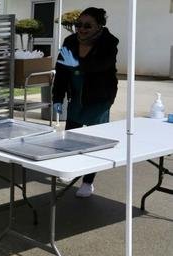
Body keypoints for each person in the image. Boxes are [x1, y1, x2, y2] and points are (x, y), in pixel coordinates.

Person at [52, 7, 118, 198]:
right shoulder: (70, 41)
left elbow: (102, 65)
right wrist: (57, 97)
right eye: (78, 25)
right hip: (77, 96)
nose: (82, 29)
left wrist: (77, 65)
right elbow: (62, 71)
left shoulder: (108, 42)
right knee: (71, 137)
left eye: (87, 26)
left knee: (93, 141)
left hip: (99, 97)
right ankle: (71, 168)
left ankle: (88, 181)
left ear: (99, 26)